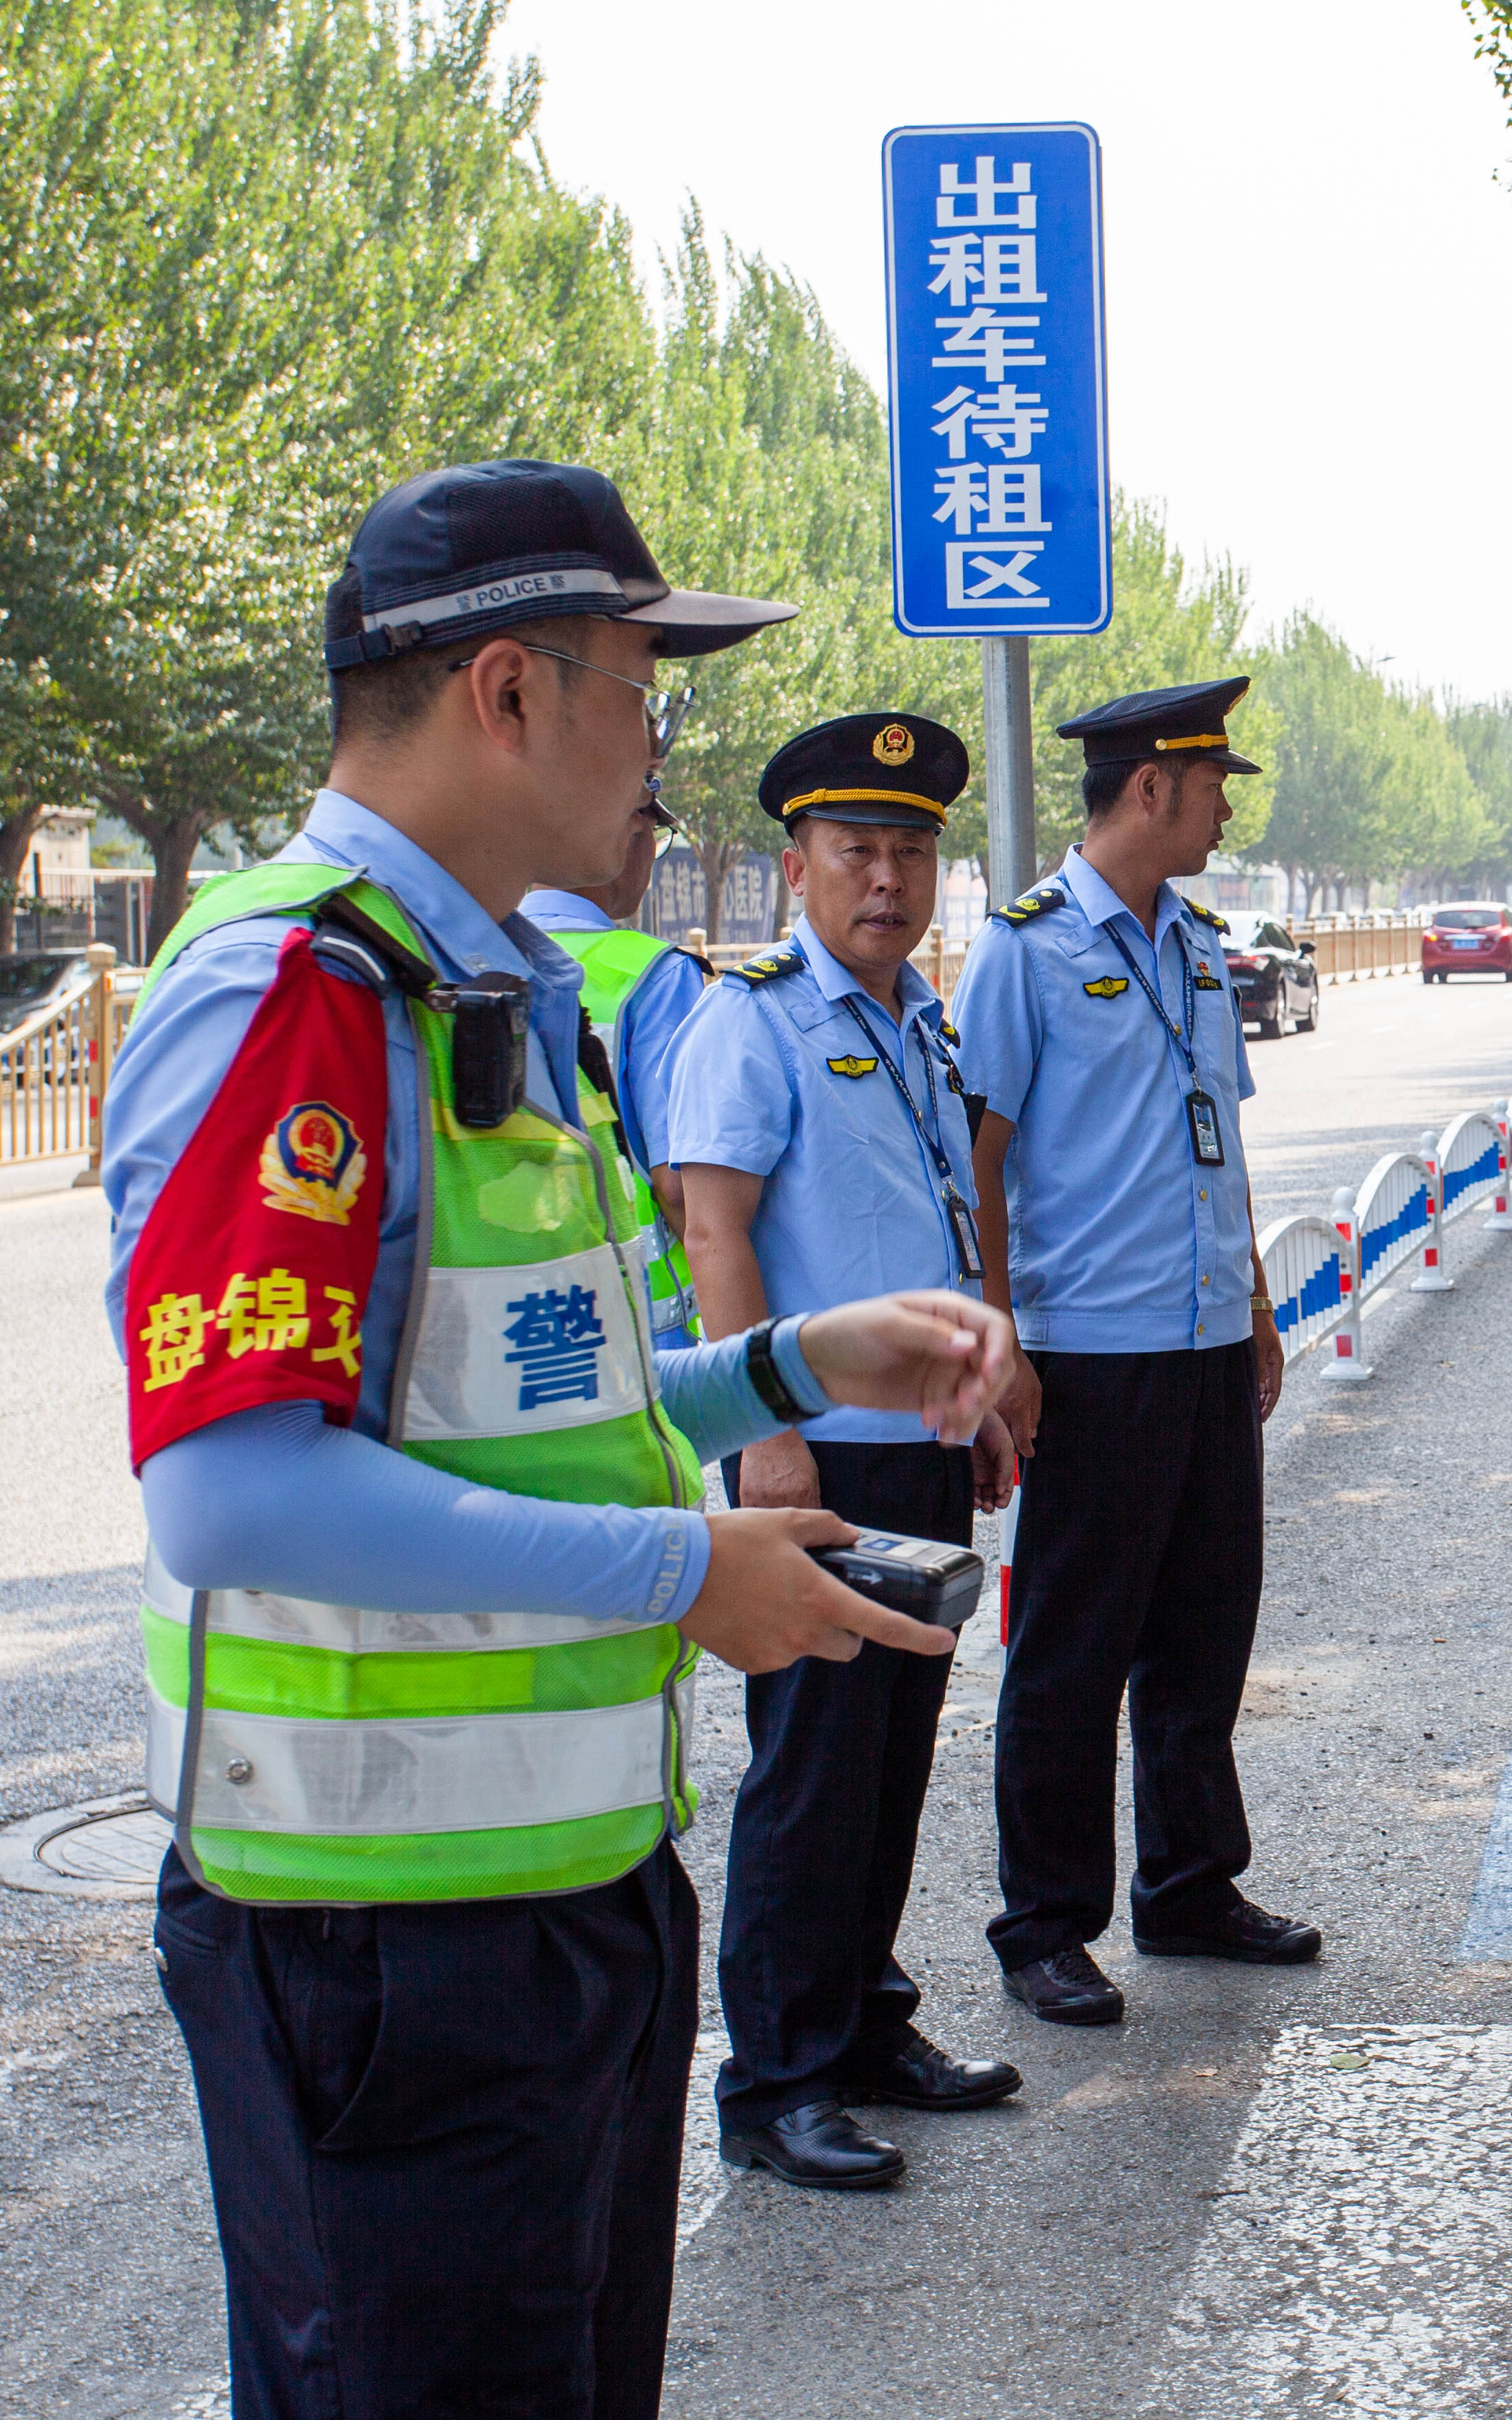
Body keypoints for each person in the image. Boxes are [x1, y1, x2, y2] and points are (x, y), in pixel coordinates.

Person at [105, 458, 1015, 2419]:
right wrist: (690, 1573)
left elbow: (543, 1408)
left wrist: (789, 1368)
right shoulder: (298, 995)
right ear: (510, 694)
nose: (661, 756)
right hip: (382, 1951)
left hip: (553, 1909)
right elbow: (229, 1484)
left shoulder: (489, 990)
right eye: (640, 690)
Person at [663, 712, 1028, 2193]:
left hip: (918, 1450)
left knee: (889, 1763)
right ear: (799, 867)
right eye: (857, 851)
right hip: (815, 1460)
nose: (888, 877)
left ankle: (867, 2022)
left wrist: (981, 1402)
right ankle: (776, 2081)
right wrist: (771, 1446)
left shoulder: (912, 1021)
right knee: (811, 1772)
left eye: (912, 849)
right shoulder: (753, 1018)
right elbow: (714, 1228)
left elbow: (938, 1229)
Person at [953, 677, 1318, 2028]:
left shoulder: (1200, 945)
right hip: (1089, 1355)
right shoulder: (1025, 952)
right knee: (1071, 1650)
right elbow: (977, 1163)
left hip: (1210, 1342)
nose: (1227, 806)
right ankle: (1044, 1924)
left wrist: (1261, 1309)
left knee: (1202, 1634)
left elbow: (1218, 1147)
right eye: (1216, 783)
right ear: (1150, 788)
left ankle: (1189, 1885)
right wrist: (999, 1344)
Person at [521, 787, 713, 1342]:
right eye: (655, 836)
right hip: (643, 1333)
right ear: (625, 832)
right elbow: (682, 1188)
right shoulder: (656, 975)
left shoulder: (468, 953)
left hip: (518, 1320)